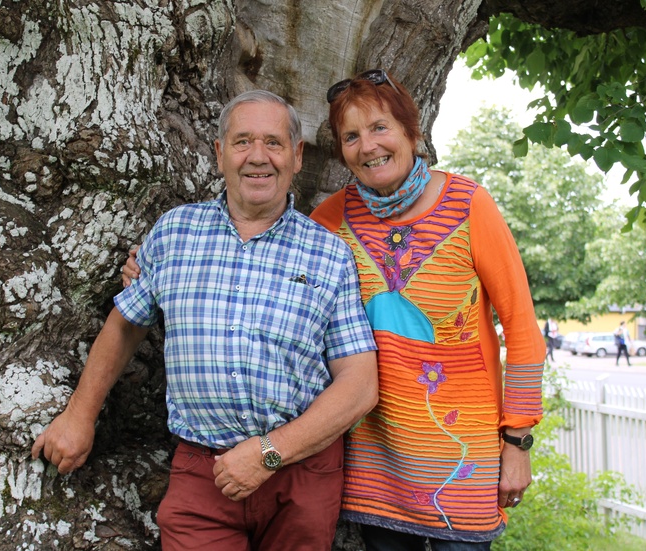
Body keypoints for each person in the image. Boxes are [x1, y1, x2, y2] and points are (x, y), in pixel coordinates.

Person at [126, 70, 546, 549]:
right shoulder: (332, 220)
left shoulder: (470, 205)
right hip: (376, 457)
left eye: (380, 128)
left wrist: (517, 442)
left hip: (461, 455)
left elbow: (522, 330)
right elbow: (262, 256)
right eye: (351, 136)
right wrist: (147, 270)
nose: (368, 146)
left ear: (413, 131)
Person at [34, 90, 379, 550]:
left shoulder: (330, 253)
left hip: (302, 473)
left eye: (274, 143)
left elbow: (359, 385)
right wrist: (80, 416)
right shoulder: (175, 232)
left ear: (297, 157)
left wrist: (270, 452)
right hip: (203, 471)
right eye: (242, 142)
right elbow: (125, 325)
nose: (259, 157)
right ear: (219, 154)